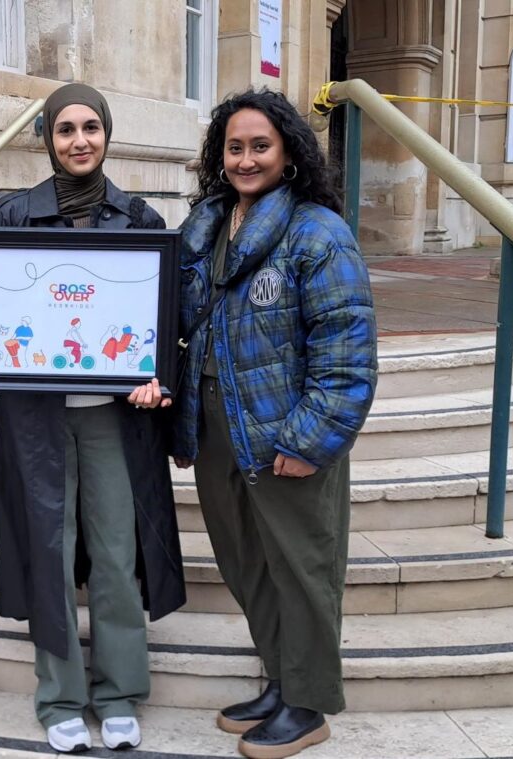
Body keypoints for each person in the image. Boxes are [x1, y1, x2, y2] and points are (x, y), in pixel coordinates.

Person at [137, 88, 377, 759]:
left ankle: (309, 704)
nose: (245, 159)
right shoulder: (206, 228)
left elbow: (346, 350)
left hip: (284, 432)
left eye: (259, 146)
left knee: (301, 567)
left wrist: (311, 439)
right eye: (234, 147)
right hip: (216, 429)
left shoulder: (318, 233)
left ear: (289, 153)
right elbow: (172, 322)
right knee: (247, 563)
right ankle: (279, 678)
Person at [0, 83, 185, 753]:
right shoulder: (11, 217)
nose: (79, 139)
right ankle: (58, 696)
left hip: (116, 421)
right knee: (49, 554)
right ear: (46, 138)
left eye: (91, 127)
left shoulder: (141, 221)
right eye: (65, 129)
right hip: (36, 420)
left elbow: (168, 323)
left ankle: (118, 692)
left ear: (107, 134)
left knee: (117, 554)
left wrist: (157, 382)